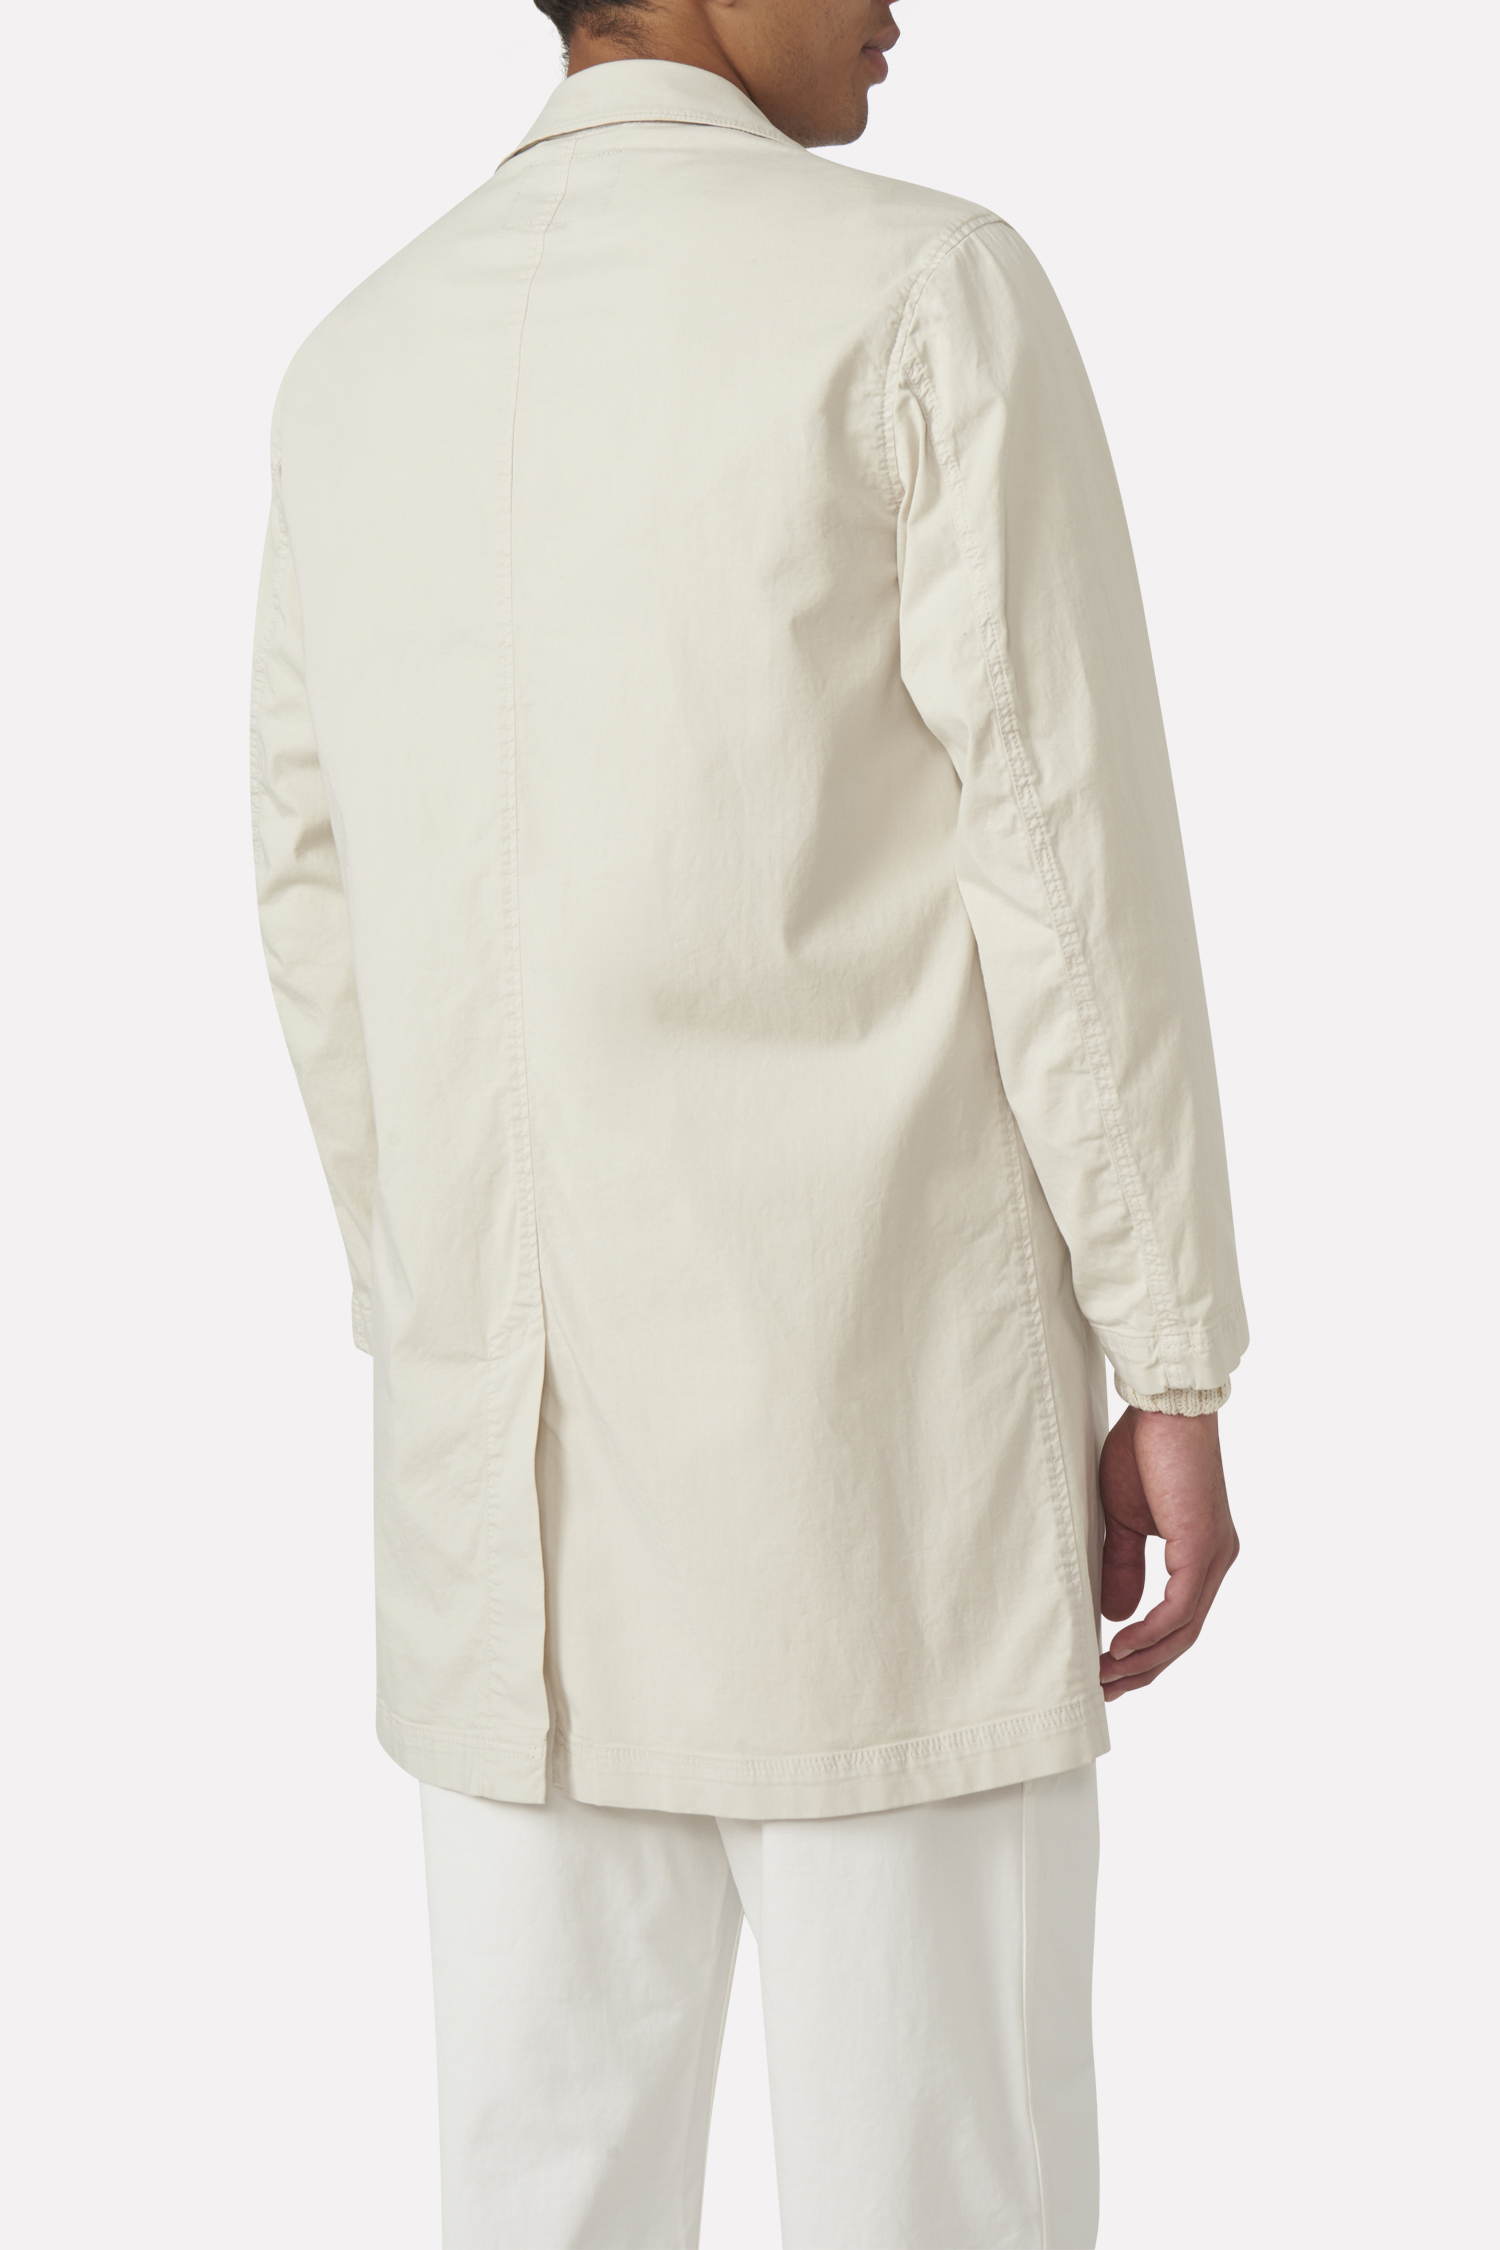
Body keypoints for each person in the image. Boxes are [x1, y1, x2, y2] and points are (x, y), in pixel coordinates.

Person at [249, 1, 1246, 2241]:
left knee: (545, 2197)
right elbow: (1064, 866)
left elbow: (318, 916)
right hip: (881, 1473)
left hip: (499, 1519)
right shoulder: (919, 293)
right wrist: (1170, 1349)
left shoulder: (352, 368)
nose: (900, 7)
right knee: (943, 2194)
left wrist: (435, 1314)